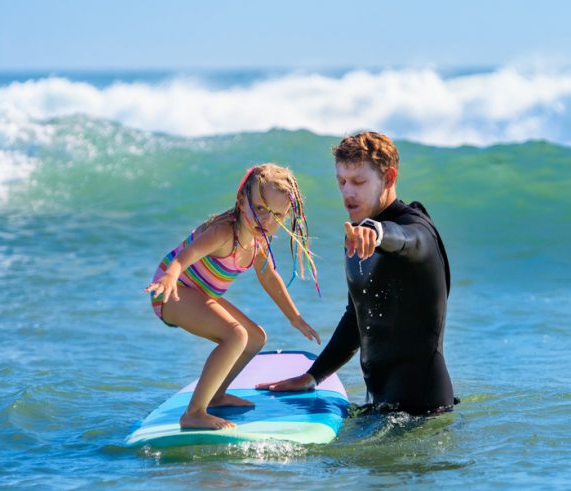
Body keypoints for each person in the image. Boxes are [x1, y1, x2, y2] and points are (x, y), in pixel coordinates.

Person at [256, 132, 455, 414]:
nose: (348, 192)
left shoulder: (417, 230)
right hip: (380, 406)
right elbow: (357, 318)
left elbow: (407, 240)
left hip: (423, 411)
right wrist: (313, 376)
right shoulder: (357, 232)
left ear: (388, 178)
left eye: (359, 182)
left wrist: (375, 232)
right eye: (342, 182)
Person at [145, 163, 321, 430]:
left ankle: (215, 396)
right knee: (235, 335)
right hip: (171, 291)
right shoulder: (224, 232)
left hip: (198, 293)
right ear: (242, 200)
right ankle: (194, 412)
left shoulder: (259, 241)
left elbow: (269, 278)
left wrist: (294, 317)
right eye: (260, 209)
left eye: (277, 215)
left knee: (254, 338)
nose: (267, 220)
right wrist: (170, 277)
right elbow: (186, 256)